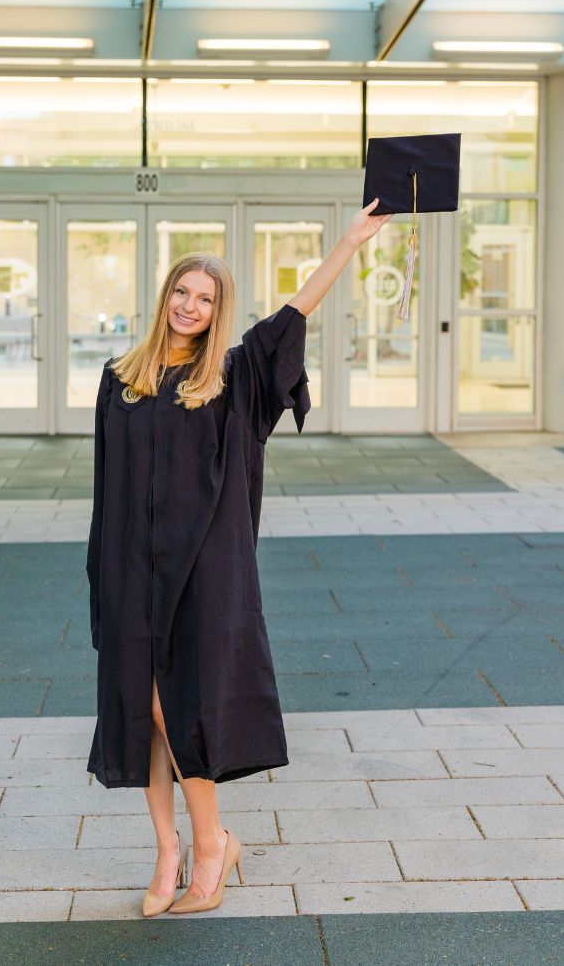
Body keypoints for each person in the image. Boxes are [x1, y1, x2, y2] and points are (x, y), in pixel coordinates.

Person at [84, 201, 392, 917]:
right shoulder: (120, 380)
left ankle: (212, 843)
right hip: (132, 574)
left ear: (217, 311)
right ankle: (169, 851)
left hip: (203, 579)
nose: (190, 306)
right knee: (143, 712)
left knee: (179, 710)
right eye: (182, 293)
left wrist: (350, 239)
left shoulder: (233, 378)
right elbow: (106, 488)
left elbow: (294, 311)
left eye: (206, 298)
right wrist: (102, 574)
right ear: (165, 298)